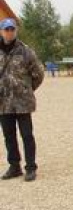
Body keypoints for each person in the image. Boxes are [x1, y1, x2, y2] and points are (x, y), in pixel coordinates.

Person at [0, 18, 44, 182]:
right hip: (3, 103)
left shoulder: (26, 51)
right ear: (1, 31)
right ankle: (14, 167)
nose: (9, 32)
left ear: (16, 31)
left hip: (23, 102)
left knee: (27, 135)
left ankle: (31, 167)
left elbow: (38, 73)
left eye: (12, 29)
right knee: (9, 136)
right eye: (6, 29)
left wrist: (28, 89)